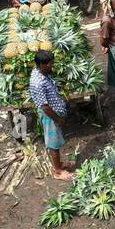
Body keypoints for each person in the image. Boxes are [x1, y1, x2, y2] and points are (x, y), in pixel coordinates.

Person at [29, 50, 73, 181]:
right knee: (53, 142)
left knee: (56, 141)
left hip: (53, 112)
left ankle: (59, 164)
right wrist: (58, 119)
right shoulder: (38, 82)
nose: (51, 66)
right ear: (41, 65)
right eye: (49, 64)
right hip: (49, 116)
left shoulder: (42, 73)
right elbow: (45, 106)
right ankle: (58, 172)